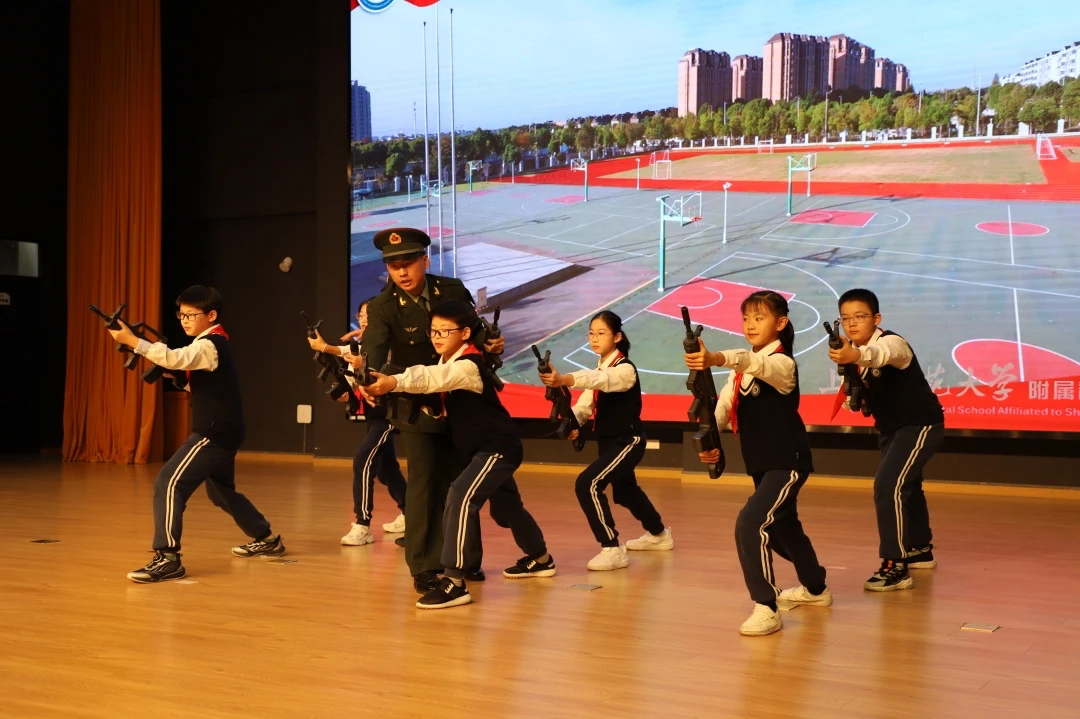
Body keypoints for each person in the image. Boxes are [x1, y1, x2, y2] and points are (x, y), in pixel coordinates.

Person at [366, 299, 554, 609]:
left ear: (465, 333)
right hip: (482, 449)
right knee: (506, 508)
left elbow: (431, 377)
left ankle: (454, 582)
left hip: (497, 447)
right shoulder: (448, 362)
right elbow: (440, 398)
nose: (437, 337)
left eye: (445, 331)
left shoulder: (467, 364)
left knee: (460, 496)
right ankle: (541, 558)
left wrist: (393, 382)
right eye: (433, 331)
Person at [354, 228, 503, 593]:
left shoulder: (450, 290)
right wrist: (366, 381)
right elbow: (372, 353)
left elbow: (474, 332)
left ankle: (465, 560)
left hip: (460, 402)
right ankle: (423, 565)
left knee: (459, 482)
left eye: (408, 263)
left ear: (425, 260)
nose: (401, 272)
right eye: (393, 266)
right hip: (415, 404)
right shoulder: (383, 307)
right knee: (422, 484)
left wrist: (490, 343)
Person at [107, 285, 284, 583]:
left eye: (191, 315)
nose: (185, 320)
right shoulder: (212, 344)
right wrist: (176, 376)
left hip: (213, 431)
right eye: (181, 315)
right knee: (221, 492)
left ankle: (168, 558)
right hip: (226, 430)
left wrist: (134, 341)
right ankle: (267, 539)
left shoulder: (209, 345)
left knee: (168, 482)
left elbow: (177, 357)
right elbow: (196, 381)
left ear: (211, 315)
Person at [686, 290, 827, 636]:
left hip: (787, 460)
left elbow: (752, 362)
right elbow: (721, 410)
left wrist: (715, 357)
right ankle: (816, 588)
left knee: (750, 523)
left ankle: (766, 605)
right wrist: (710, 442)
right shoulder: (739, 375)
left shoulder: (782, 363)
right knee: (783, 529)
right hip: (761, 463)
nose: (750, 324)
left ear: (781, 323)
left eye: (759, 318)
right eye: (746, 318)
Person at [828, 288, 945, 592]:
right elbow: (860, 399)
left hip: (920, 425)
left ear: (876, 318)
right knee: (909, 485)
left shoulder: (892, 342)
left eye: (860, 316)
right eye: (845, 318)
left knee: (888, 485)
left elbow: (881, 355)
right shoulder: (853, 355)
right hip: (891, 429)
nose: (852, 323)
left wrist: (855, 356)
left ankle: (895, 565)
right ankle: (919, 549)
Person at [539, 310, 672, 572]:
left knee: (587, 484)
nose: (594, 338)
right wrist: (573, 422)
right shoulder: (601, 368)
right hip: (609, 443)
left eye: (601, 333)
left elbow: (603, 380)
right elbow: (585, 406)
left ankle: (611, 548)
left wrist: (565, 379)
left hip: (629, 441)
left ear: (617, 336)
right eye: (591, 333)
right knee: (625, 492)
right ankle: (659, 535)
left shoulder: (624, 369)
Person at [307, 297, 407, 545]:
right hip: (375, 414)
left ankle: (362, 524)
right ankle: (411, 513)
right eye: (361, 315)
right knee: (386, 468)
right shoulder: (361, 346)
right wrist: (347, 391)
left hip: (389, 413)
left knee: (363, 461)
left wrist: (326, 347)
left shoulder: (391, 344)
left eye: (369, 316)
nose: (364, 320)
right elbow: (357, 373)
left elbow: (371, 363)